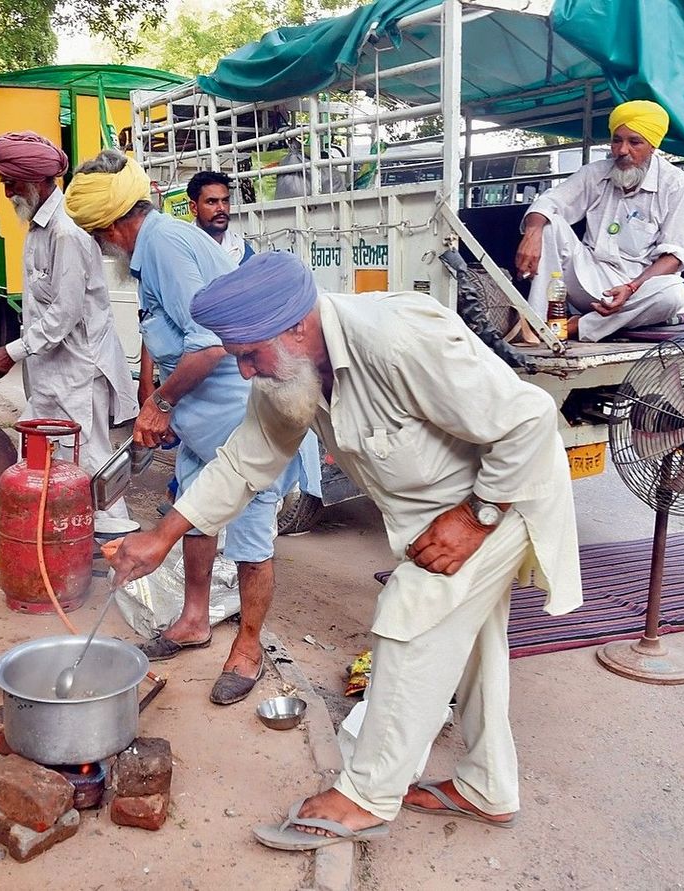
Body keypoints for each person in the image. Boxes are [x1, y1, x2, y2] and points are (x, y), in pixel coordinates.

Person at [107, 252, 582, 850]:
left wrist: (476, 517)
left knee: (410, 622)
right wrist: (162, 536)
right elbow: (244, 461)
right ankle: (487, 787)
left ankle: (366, 796)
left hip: (500, 497)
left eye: (250, 355)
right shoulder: (288, 372)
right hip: (437, 519)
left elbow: (531, 420)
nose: (247, 373)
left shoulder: (399, 337)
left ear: (296, 327)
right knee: (471, 649)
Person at [64, 150, 308, 705]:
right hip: (202, 415)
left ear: (113, 225)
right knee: (195, 516)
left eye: (98, 234)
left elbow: (209, 344)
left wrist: (161, 405)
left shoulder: (165, 244)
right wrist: (163, 401)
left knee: (249, 531)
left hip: (240, 411)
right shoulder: (155, 247)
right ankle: (193, 619)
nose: (102, 244)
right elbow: (168, 339)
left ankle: (247, 649)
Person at [0, 132, 139, 520]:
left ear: (36, 181)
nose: (7, 193)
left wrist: (11, 352)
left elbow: (64, 315)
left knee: (90, 463)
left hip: (79, 373)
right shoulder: (38, 228)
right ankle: (63, 541)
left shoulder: (67, 233)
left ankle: (119, 548)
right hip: (52, 373)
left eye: (11, 183)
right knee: (42, 456)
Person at [514, 100, 684, 342]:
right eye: (616, 140)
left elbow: (674, 257)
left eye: (634, 142)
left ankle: (578, 326)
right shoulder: (595, 173)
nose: (621, 151)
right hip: (586, 277)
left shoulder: (676, 184)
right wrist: (533, 232)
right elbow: (551, 201)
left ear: (653, 146)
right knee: (548, 223)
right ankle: (537, 325)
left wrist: (631, 287)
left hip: (635, 289)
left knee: (673, 293)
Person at [187, 171, 255, 265]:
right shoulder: (184, 249)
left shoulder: (241, 250)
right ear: (194, 208)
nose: (221, 208)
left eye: (225, 201)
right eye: (211, 202)